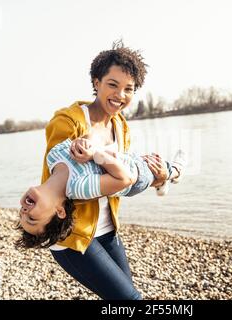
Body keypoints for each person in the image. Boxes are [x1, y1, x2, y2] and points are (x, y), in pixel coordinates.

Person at [16, 41, 169, 300]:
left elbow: (122, 175)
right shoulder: (68, 121)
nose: (120, 95)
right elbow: (64, 181)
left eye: (128, 89)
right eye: (112, 84)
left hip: (109, 228)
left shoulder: (121, 126)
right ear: (96, 82)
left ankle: (168, 176)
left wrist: (154, 177)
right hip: (75, 237)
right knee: (130, 300)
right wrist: (94, 151)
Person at [17, 134, 184, 238]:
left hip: (124, 158)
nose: (24, 212)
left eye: (22, 215)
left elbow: (87, 136)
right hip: (136, 175)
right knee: (163, 168)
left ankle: (161, 183)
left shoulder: (53, 156)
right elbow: (124, 179)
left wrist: (83, 143)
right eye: (31, 219)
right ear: (60, 211)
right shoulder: (78, 186)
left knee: (155, 165)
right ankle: (176, 172)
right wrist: (95, 154)